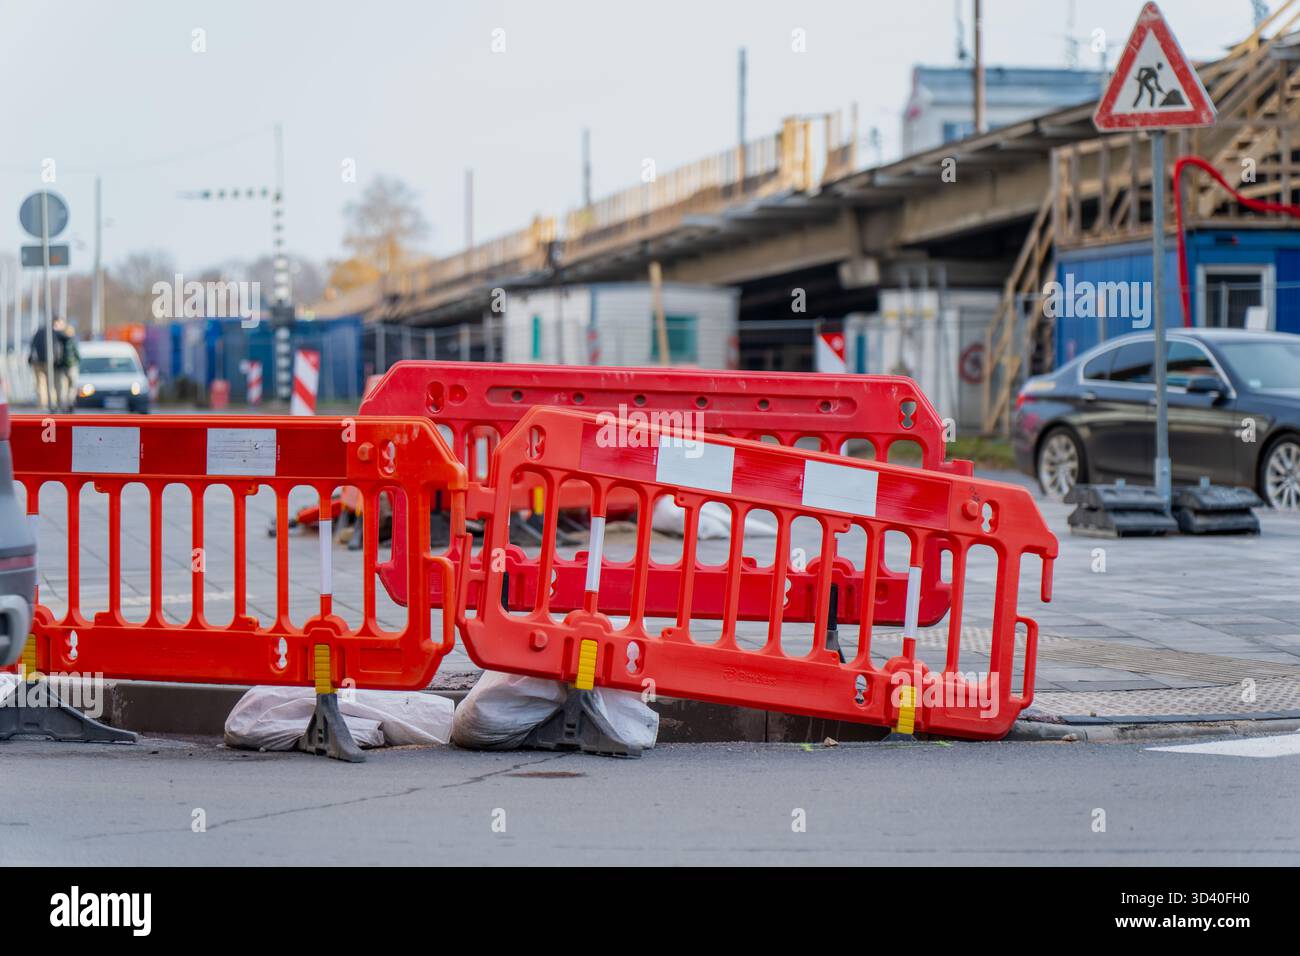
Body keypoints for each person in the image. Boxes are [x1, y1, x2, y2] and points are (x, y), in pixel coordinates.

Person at [27, 316, 73, 411]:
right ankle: (55, 404)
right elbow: (69, 340)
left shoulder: (39, 331)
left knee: (40, 385)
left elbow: (32, 345)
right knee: (54, 384)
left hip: (37, 362)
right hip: (52, 363)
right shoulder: (56, 332)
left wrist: (31, 358)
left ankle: (43, 405)